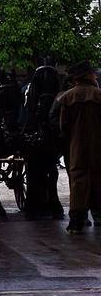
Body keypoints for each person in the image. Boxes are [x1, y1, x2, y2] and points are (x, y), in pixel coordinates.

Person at [58, 61, 101, 234]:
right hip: (98, 145)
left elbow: (63, 126)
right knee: (98, 178)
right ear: (89, 76)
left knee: (77, 181)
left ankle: (76, 220)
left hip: (76, 145)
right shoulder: (98, 95)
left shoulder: (67, 97)